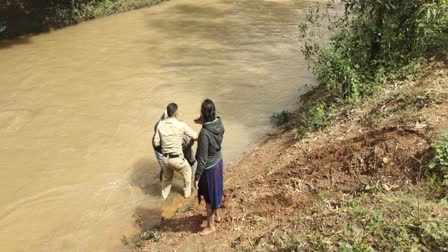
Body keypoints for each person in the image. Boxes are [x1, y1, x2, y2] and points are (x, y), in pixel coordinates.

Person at [194, 99, 225, 235]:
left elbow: (202, 159)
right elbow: (211, 123)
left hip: (209, 169)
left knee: (208, 198)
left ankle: (211, 226)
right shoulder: (219, 123)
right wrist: (203, 121)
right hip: (218, 162)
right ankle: (217, 215)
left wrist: (196, 177)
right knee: (216, 190)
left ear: (203, 113)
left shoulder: (204, 134)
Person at [153, 103, 198, 199]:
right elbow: (195, 136)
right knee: (187, 171)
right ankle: (187, 196)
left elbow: (156, 143)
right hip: (177, 158)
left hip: (165, 159)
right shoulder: (181, 124)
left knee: (167, 179)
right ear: (176, 113)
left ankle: (163, 198)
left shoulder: (160, 124)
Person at [152, 111, 168, 182]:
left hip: (164, 147)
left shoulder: (166, 123)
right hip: (159, 149)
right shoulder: (159, 126)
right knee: (164, 168)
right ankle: (161, 183)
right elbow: (157, 143)